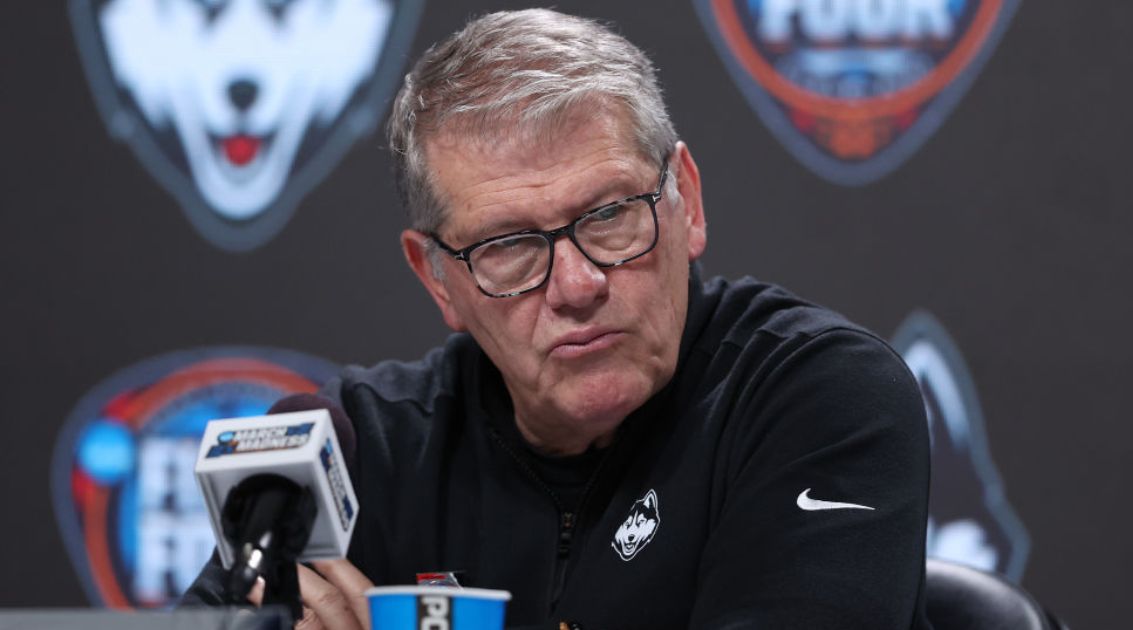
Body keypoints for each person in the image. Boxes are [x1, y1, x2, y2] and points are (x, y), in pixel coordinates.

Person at [184, 9, 932, 629]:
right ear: (438, 277)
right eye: (508, 246)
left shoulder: (817, 399)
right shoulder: (362, 453)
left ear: (688, 203)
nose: (576, 285)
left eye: (608, 216)